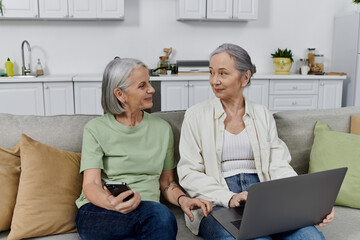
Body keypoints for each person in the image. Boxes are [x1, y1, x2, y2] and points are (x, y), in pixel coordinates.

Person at [177, 43, 334, 240]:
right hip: (217, 199)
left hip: (264, 195)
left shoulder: (262, 114)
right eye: (211, 72)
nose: (214, 80)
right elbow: (189, 172)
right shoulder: (195, 115)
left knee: (311, 238)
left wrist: (305, 203)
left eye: (223, 73)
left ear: (245, 77)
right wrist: (229, 197)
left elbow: (278, 164)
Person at [75, 58, 212, 240]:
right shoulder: (95, 129)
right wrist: (111, 203)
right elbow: (91, 184)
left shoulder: (162, 129)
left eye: (149, 83)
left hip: (147, 211)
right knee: (161, 217)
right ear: (120, 94)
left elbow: (167, 183)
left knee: (158, 217)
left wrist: (183, 199)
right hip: (99, 211)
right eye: (142, 85)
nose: (151, 89)